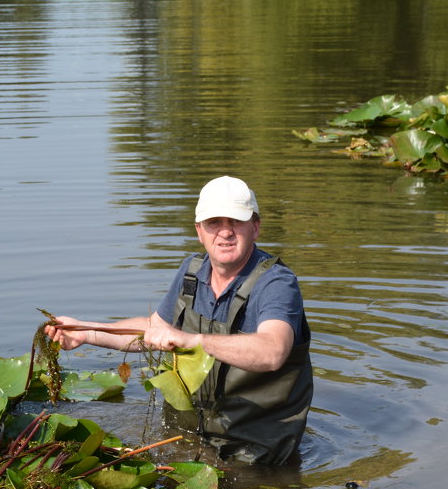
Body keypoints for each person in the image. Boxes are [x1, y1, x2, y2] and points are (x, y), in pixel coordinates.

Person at [46, 175, 313, 465]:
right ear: (200, 231)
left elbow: (273, 352)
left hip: (257, 453)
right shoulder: (192, 272)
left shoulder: (276, 283)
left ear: (255, 227)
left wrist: (194, 340)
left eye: (235, 222)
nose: (225, 233)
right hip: (186, 439)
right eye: (214, 223)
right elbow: (153, 329)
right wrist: (86, 331)